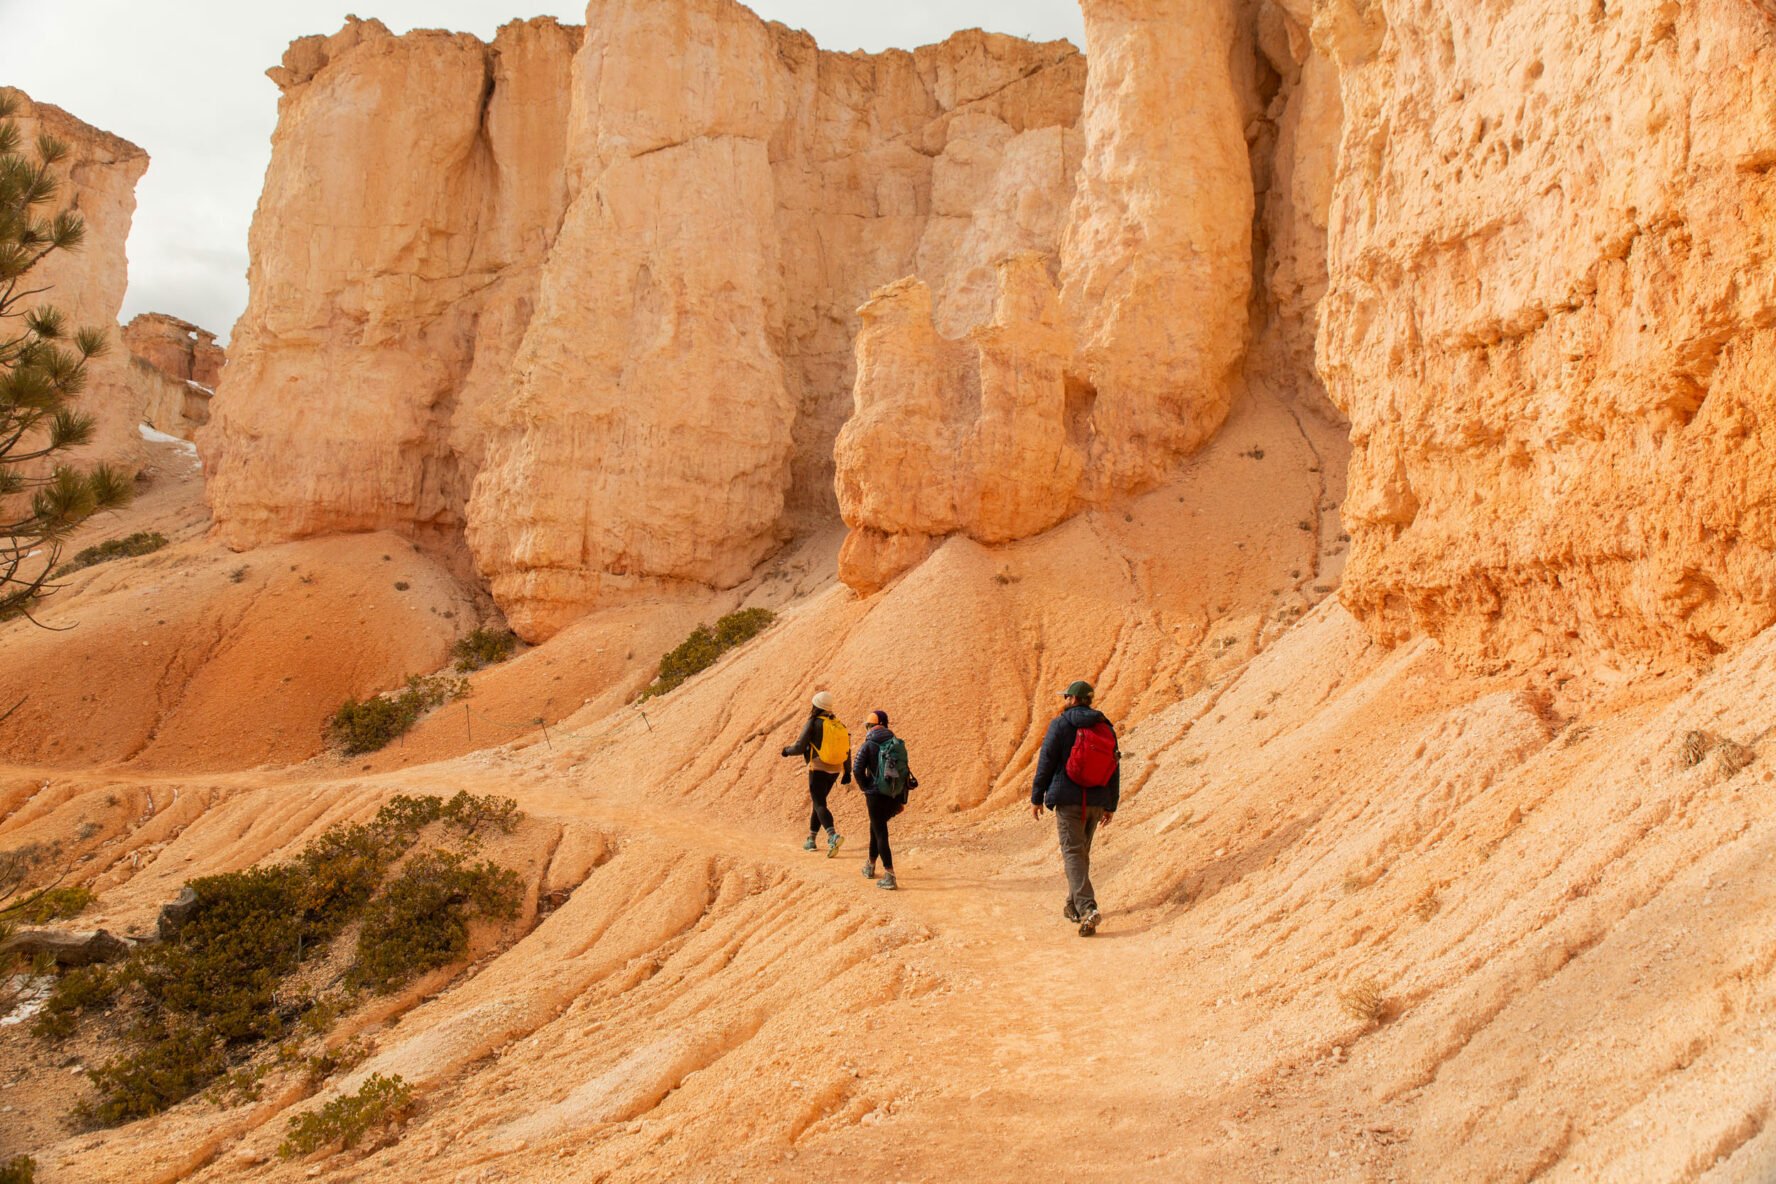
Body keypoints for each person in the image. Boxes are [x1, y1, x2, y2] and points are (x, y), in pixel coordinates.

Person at [1032, 680, 1120, 936]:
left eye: (1066, 697)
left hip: (1069, 800)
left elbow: (1046, 761)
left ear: (1072, 699)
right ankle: (1072, 905)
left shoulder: (1060, 724)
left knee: (1072, 853)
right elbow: (1115, 766)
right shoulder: (1105, 726)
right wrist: (1110, 804)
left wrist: (1037, 796)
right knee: (1080, 854)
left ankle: (1086, 908)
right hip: (1096, 801)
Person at [853, 709, 916, 891]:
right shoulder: (896, 743)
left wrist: (866, 787)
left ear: (871, 726)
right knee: (876, 826)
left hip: (875, 795)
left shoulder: (869, 744)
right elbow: (903, 772)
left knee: (880, 832)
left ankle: (890, 875)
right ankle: (870, 865)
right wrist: (902, 800)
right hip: (894, 794)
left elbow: (857, 769)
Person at [781, 691, 848, 856]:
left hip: (818, 767)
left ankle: (833, 836)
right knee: (818, 803)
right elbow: (847, 748)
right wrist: (848, 771)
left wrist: (786, 751)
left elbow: (799, 747)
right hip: (836, 768)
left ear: (815, 706)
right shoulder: (838, 723)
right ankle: (811, 839)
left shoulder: (813, 722)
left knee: (819, 804)